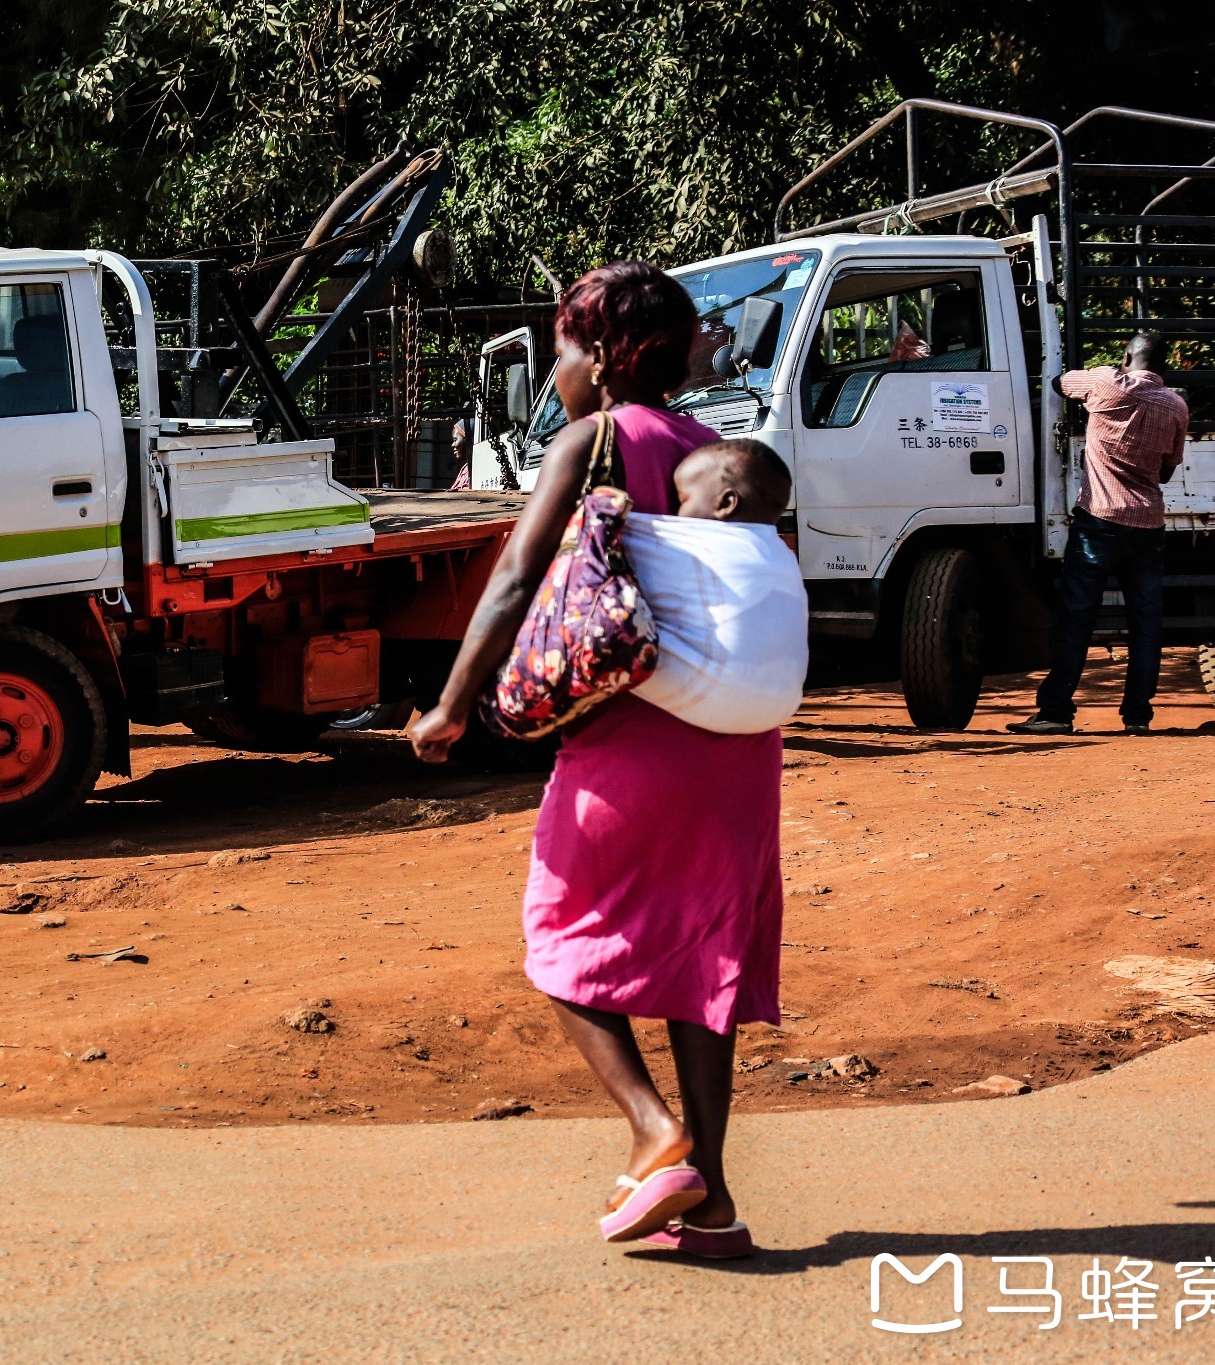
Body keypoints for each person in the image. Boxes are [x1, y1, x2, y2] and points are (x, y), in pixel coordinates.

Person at [408, 262, 786, 1260]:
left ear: (606, 356)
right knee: (702, 966)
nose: (558, 369)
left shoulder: (595, 440)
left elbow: (510, 583)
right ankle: (711, 1206)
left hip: (631, 742)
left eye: (566, 349)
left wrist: (449, 708)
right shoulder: (718, 451)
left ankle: (652, 1131)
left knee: (559, 938)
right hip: (737, 748)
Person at [1007, 333, 1189, 736]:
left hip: (1099, 522)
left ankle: (1056, 713)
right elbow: (1166, 471)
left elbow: (1057, 384)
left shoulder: (1104, 384)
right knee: (1145, 622)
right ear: (1164, 365)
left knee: (1076, 618)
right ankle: (1138, 717)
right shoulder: (1176, 406)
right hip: (1147, 525)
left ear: (1126, 357)